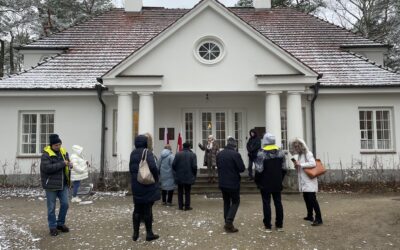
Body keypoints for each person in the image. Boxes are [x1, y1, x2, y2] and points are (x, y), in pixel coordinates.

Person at [129, 134, 160, 242]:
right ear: (145, 142)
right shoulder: (147, 152)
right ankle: (149, 233)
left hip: (136, 185)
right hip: (146, 185)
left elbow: (131, 169)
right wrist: (156, 178)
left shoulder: (132, 153)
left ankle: (135, 233)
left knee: (137, 209)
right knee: (147, 210)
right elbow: (153, 167)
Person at [40, 134, 71, 236]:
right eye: (56, 145)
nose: (58, 147)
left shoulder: (64, 152)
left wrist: (70, 165)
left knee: (65, 204)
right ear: (51, 145)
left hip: (63, 184)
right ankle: (52, 227)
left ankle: (60, 224)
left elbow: (67, 163)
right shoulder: (46, 155)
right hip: (51, 185)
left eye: (59, 144)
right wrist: (63, 163)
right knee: (51, 208)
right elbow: (47, 168)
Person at [254, 132, 287, 233]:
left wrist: (257, 181)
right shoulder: (281, 153)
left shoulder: (261, 153)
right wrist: (280, 179)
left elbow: (258, 170)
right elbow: (284, 168)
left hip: (265, 182)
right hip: (277, 182)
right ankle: (279, 225)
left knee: (266, 203)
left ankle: (268, 226)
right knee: (278, 203)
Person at [289, 138, 323, 226]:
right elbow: (302, 166)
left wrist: (301, 164)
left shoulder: (308, 153)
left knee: (312, 199)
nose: (296, 148)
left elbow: (313, 163)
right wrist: (297, 166)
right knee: (306, 198)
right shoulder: (300, 155)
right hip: (304, 180)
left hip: (309, 180)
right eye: (295, 146)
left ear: (301, 146)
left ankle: (319, 218)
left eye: (297, 146)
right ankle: (310, 215)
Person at [216, 137, 245, 233]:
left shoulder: (220, 154)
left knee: (226, 202)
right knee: (236, 201)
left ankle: (227, 223)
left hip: (223, 182)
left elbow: (218, 166)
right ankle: (229, 222)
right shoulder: (235, 154)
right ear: (234, 146)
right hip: (233, 182)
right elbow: (241, 168)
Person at [172, 142, 197, 211]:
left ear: (183, 147)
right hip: (189, 176)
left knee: (180, 191)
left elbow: (173, 165)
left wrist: (176, 172)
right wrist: (194, 175)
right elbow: (194, 166)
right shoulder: (193, 155)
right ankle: (187, 206)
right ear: (189, 147)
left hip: (179, 176)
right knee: (187, 192)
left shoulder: (178, 154)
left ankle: (180, 206)